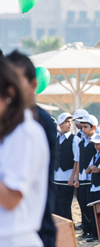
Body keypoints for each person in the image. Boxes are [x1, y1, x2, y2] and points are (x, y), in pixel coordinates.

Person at [6, 50, 58, 246]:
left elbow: (15, 195)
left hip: (33, 226)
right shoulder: (12, 122)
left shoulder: (36, 124)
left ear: (33, 85)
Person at [75, 115, 99, 239]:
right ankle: (86, 230)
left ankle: (95, 232)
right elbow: (79, 160)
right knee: (82, 205)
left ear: (94, 127)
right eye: (82, 127)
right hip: (82, 179)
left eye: (86, 127)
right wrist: (76, 178)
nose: (83, 129)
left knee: (91, 206)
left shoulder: (97, 142)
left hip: (92, 179)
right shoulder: (81, 142)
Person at [54, 113, 80, 221]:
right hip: (56, 178)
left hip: (67, 177)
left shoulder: (74, 139)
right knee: (56, 206)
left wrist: (72, 177)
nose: (70, 124)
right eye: (66, 122)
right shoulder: (56, 139)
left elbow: (77, 160)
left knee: (64, 205)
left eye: (70, 122)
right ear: (60, 124)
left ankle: (68, 229)